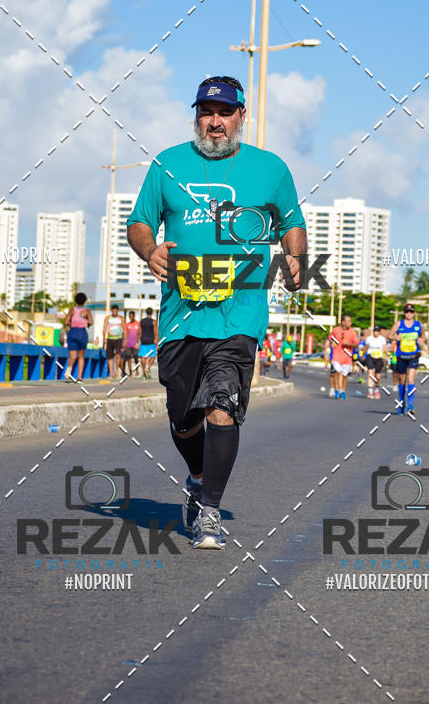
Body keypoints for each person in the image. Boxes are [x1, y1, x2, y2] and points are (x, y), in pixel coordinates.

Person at [126, 75, 306, 549]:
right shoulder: (168, 164)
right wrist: (150, 251)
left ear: (241, 117)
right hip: (181, 313)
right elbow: (139, 222)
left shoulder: (271, 169)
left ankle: (209, 511)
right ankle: (199, 477)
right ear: (197, 117)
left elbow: (292, 224)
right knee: (183, 417)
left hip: (239, 311)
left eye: (224, 113)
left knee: (222, 404)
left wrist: (295, 257)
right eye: (206, 112)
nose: (215, 122)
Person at [389, 304, 425, 414]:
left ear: (414, 313)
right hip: (401, 355)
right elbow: (389, 335)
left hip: (413, 356)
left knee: (411, 379)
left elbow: (423, 336)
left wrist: (421, 340)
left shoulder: (419, 325)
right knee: (402, 380)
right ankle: (401, 403)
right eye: (407, 311)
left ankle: (410, 406)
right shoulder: (398, 324)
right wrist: (396, 337)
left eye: (411, 311)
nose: (409, 313)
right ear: (404, 312)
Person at [63, 292, 93, 381]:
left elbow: (66, 322)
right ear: (84, 301)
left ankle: (69, 369)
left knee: (72, 356)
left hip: (72, 332)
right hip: (82, 333)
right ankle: (79, 377)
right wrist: (84, 321)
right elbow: (91, 322)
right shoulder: (86, 310)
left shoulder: (72, 309)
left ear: (75, 300)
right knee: (81, 356)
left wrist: (73, 322)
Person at [328, 315, 359, 400]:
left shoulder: (352, 332)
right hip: (336, 355)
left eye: (350, 321)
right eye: (348, 321)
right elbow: (330, 338)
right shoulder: (335, 330)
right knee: (337, 371)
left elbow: (356, 343)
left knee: (345, 375)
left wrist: (349, 344)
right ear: (343, 322)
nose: (350, 323)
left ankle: (343, 391)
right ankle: (337, 390)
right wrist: (332, 343)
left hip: (347, 356)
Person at [103, 304, 125, 379]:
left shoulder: (121, 318)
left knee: (118, 355)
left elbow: (124, 329)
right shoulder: (107, 318)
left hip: (119, 338)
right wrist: (104, 338)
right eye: (113, 310)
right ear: (111, 310)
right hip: (110, 338)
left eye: (116, 310)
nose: (115, 312)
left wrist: (125, 340)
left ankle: (116, 372)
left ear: (118, 311)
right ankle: (111, 374)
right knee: (110, 356)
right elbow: (104, 328)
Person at [365, 326, 386, 400]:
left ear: (379, 332)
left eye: (377, 331)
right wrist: (362, 355)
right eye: (374, 331)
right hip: (370, 356)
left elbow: (385, 348)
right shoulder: (369, 338)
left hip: (379, 357)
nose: (375, 333)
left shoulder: (382, 339)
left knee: (378, 376)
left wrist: (386, 355)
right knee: (370, 374)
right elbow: (366, 347)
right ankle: (370, 392)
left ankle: (376, 389)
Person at [139, 307, 158, 378]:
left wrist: (138, 341)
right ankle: (148, 367)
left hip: (143, 341)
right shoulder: (153, 321)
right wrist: (157, 342)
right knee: (153, 356)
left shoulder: (142, 321)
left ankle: (144, 370)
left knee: (143, 357)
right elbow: (156, 332)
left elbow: (140, 332)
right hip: (151, 341)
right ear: (152, 313)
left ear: (146, 312)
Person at [122, 310, 141, 377]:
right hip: (128, 344)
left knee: (136, 358)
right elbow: (125, 334)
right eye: (130, 316)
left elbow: (139, 333)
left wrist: (138, 342)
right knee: (128, 358)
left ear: (134, 316)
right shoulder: (127, 324)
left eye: (132, 316)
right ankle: (130, 371)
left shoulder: (138, 324)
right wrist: (124, 342)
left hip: (135, 344)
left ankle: (137, 371)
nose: (131, 317)